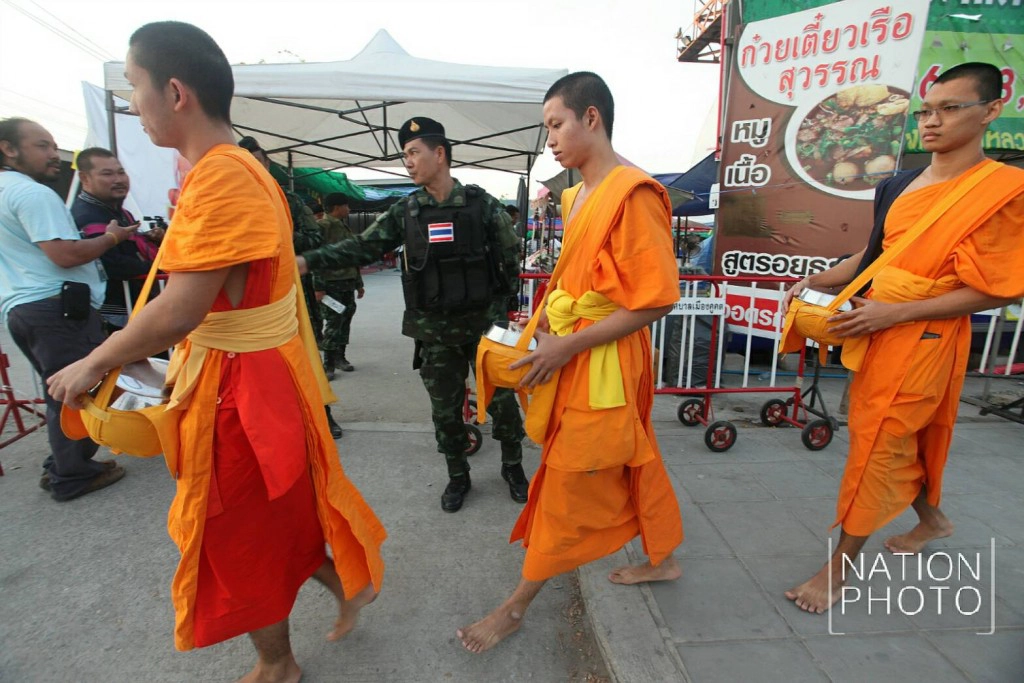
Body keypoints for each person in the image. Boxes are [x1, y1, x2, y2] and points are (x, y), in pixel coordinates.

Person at [46, 22, 385, 682]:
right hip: (253, 375)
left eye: (136, 87)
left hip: (241, 390)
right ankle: (345, 584)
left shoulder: (223, 176)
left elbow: (182, 308)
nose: (134, 104)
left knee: (234, 533)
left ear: (175, 92)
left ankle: (278, 664)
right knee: (270, 512)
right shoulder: (240, 167)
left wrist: (96, 358)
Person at [783, 62, 1024, 614]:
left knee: (878, 444)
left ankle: (838, 569)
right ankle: (932, 520)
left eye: (950, 108)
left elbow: (1000, 289)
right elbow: (874, 258)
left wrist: (895, 314)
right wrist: (817, 280)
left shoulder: (1005, 190)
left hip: (927, 336)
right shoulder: (898, 183)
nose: (931, 121)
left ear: (991, 111)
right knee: (892, 441)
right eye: (925, 111)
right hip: (878, 329)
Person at [457, 72, 683, 653]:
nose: (550, 140)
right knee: (630, 455)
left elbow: (657, 299)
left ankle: (515, 606)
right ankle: (663, 555)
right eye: (546, 129)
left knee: (567, 476)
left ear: (592, 118)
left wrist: (569, 345)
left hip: (604, 358)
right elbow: (579, 279)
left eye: (556, 125)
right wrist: (547, 329)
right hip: (575, 344)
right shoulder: (575, 194)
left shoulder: (633, 194)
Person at [298, 116, 528, 512]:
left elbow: (510, 256)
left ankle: (513, 466)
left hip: (484, 329)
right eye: (404, 154)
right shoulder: (406, 211)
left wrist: (499, 310)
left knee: (502, 402)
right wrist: (307, 261)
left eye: (413, 153)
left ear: (439, 154)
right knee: (445, 411)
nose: (407, 162)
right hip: (434, 332)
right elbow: (364, 247)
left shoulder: (482, 204)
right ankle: (458, 475)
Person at [0, 118, 134, 501]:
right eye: (42, 145)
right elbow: (65, 254)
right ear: (9, 149)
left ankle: (62, 464)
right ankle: (72, 473)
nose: (53, 154)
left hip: (24, 308)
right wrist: (111, 238)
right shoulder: (31, 193)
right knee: (76, 390)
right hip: (55, 307)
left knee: (60, 389)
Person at [238, 135, 344, 439]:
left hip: (292, 292)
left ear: (267, 163)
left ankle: (322, 414)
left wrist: (276, 238)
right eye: (245, 164)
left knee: (305, 353)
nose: (253, 168)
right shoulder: (232, 202)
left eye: (257, 161)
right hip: (250, 297)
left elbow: (314, 239)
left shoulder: (289, 200)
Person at [71, 147, 163, 331]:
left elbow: (127, 251)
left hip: (136, 306)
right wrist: (162, 267)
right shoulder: (86, 216)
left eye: (121, 172)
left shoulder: (119, 212)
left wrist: (151, 240)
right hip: (115, 314)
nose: (119, 180)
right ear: (85, 178)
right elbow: (112, 265)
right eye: (107, 174)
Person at [317, 192, 364, 376]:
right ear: (337, 207)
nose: (349, 209)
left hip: (347, 282)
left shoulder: (343, 227)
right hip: (331, 284)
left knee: (345, 320)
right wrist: (318, 287)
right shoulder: (323, 227)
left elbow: (352, 256)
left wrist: (358, 283)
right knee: (333, 323)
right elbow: (316, 259)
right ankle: (328, 364)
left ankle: (340, 358)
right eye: (346, 206)